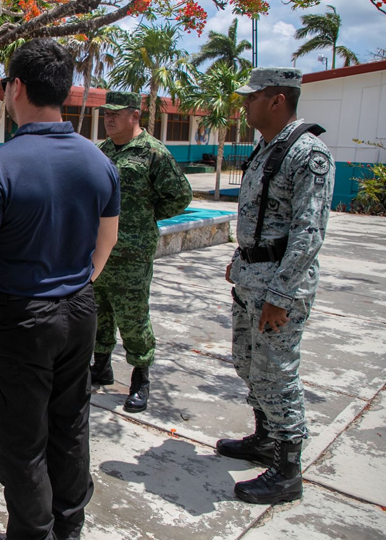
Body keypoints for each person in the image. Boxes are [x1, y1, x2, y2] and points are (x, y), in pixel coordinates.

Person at [0, 39, 120, 540]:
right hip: (78, 312)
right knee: (70, 430)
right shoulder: (97, 160)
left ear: (16, 87)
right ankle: (69, 530)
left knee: (24, 447)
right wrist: (78, 286)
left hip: (20, 321)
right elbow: (104, 242)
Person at [219, 67, 334, 505]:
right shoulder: (268, 149)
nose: (244, 104)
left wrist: (280, 297)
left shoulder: (308, 153)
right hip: (253, 279)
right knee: (248, 363)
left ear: (277, 99)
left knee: (277, 374)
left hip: (278, 292)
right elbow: (260, 218)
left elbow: (308, 233)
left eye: (252, 97)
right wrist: (239, 260)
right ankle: (266, 438)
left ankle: (288, 470)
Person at [91, 91, 192, 413]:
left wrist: (144, 217)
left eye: (115, 114)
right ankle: (101, 367)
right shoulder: (101, 151)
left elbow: (180, 196)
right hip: (98, 251)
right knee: (97, 313)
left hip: (132, 253)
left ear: (134, 116)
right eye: (105, 114)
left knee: (132, 317)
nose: (108, 119)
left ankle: (140, 376)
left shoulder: (153, 152)